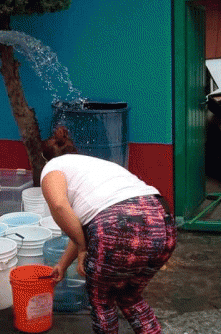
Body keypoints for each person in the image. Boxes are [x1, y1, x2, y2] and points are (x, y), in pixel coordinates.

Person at [40, 126, 176, 334]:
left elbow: (59, 206)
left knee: (103, 302)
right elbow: (81, 226)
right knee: (129, 297)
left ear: (45, 158)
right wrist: (63, 264)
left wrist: (84, 250)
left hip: (117, 225)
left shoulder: (52, 168)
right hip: (162, 222)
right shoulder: (95, 166)